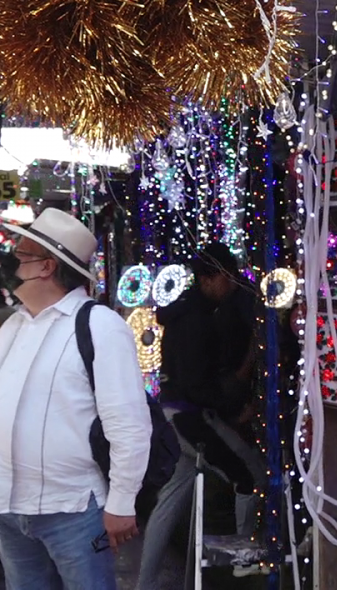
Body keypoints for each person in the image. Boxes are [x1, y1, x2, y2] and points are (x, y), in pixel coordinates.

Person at [0, 208, 152, 589]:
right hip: (8, 507)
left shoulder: (98, 324)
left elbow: (128, 422)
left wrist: (122, 502)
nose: (12, 259)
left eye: (21, 254)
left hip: (73, 509)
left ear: (46, 267)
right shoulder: (14, 325)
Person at [137, 243, 264, 587]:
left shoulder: (185, 314)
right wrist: (235, 409)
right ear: (209, 279)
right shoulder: (198, 321)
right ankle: (242, 560)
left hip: (175, 415)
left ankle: (145, 582)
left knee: (170, 501)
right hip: (192, 417)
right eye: (227, 278)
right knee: (249, 476)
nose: (232, 285)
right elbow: (197, 384)